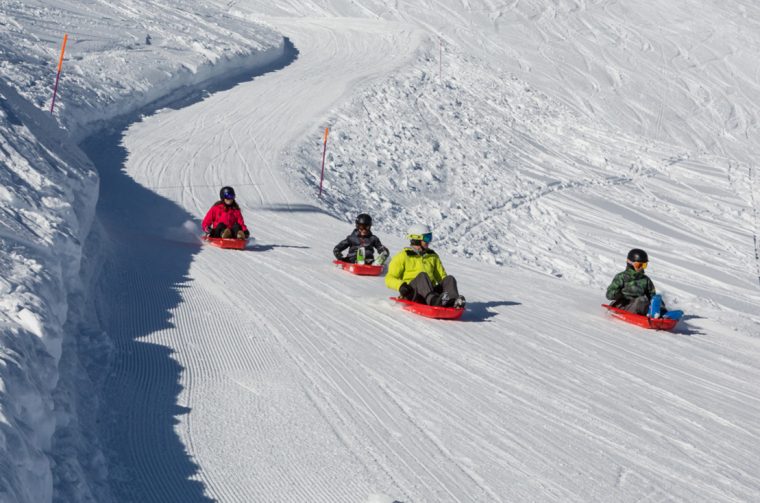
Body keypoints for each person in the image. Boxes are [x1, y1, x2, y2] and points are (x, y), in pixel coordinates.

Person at [385, 223, 465, 308]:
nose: (429, 241)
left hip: (430, 291)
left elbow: (442, 277)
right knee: (422, 276)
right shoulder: (403, 256)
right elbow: (389, 278)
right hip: (412, 293)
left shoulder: (432, 256)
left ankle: (452, 301)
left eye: (430, 237)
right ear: (416, 239)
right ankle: (434, 301)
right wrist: (401, 286)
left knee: (449, 279)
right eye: (427, 238)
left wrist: (446, 288)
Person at [606, 248, 665, 316]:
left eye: (644, 265)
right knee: (641, 300)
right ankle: (651, 314)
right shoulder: (621, 277)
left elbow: (652, 296)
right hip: (622, 306)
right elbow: (609, 295)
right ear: (630, 263)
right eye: (639, 265)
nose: (641, 268)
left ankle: (660, 314)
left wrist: (660, 304)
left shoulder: (646, 280)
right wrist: (617, 294)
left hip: (640, 307)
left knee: (656, 298)